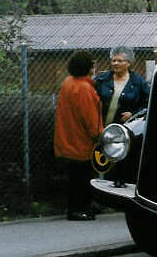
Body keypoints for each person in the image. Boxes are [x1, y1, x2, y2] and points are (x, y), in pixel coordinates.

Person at [54, 51, 104, 221]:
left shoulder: (68, 83)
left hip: (67, 139)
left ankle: (79, 207)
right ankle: (78, 210)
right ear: (89, 67)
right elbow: (91, 120)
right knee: (83, 178)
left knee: (75, 178)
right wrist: (99, 135)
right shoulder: (84, 88)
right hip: (81, 143)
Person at [95, 46, 150, 125]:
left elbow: (147, 105)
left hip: (125, 129)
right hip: (100, 126)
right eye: (114, 60)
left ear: (129, 63)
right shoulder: (102, 79)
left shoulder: (139, 82)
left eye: (120, 61)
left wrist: (133, 114)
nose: (116, 63)